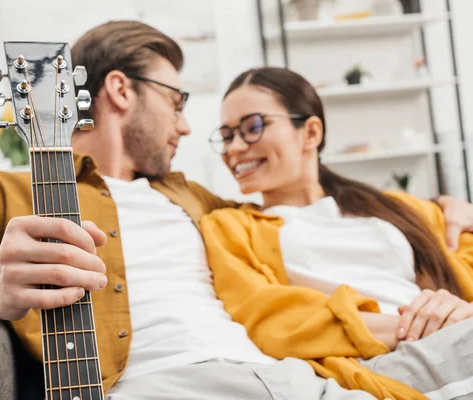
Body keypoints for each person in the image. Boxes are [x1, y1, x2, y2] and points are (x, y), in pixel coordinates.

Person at [0, 21, 469, 400]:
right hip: (166, 386)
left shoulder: (189, 197)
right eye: (177, 100)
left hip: (287, 377)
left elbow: (303, 215)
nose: (188, 124)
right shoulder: (0, 194)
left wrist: (444, 208)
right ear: (120, 91)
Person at [201, 66, 473, 400]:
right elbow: (268, 319)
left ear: (310, 133)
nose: (235, 148)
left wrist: (454, 309)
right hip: (381, 357)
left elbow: (463, 249)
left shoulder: (393, 206)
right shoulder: (232, 227)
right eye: (227, 136)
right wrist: (418, 326)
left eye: (252, 127)